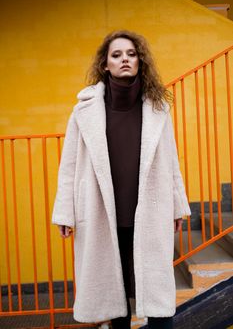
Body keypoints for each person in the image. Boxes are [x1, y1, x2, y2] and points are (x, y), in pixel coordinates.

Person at [51, 30, 191, 329]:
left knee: (157, 297)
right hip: (102, 212)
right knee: (114, 297)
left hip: (150, 212)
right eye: (116, 55)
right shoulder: (84, 111)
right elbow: (70, 165)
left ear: (140, 61)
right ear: (105, 64)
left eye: (131, 54)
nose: (124, 59)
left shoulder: (157, 108)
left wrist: (178, 205)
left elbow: (171, 160)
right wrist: (65, 212)